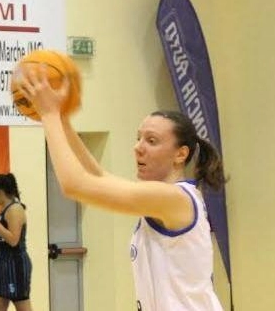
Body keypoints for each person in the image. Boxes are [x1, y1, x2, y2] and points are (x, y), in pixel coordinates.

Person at [18, 67, 225, 310]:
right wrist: (62, 120)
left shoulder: (173, 198)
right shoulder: (168, 197)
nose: (138, 147)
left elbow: (74, 185)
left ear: (180, 154)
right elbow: (98, 176)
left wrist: (49, 115)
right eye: (138, 138)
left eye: (152, 140)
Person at [0, 173, 32, 311]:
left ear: (0, 192)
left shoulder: (15, 209)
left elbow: (13, 240)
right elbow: (2, 239)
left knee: (22, 306)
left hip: (15, 264)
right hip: (2, 263)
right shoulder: (3, 211)